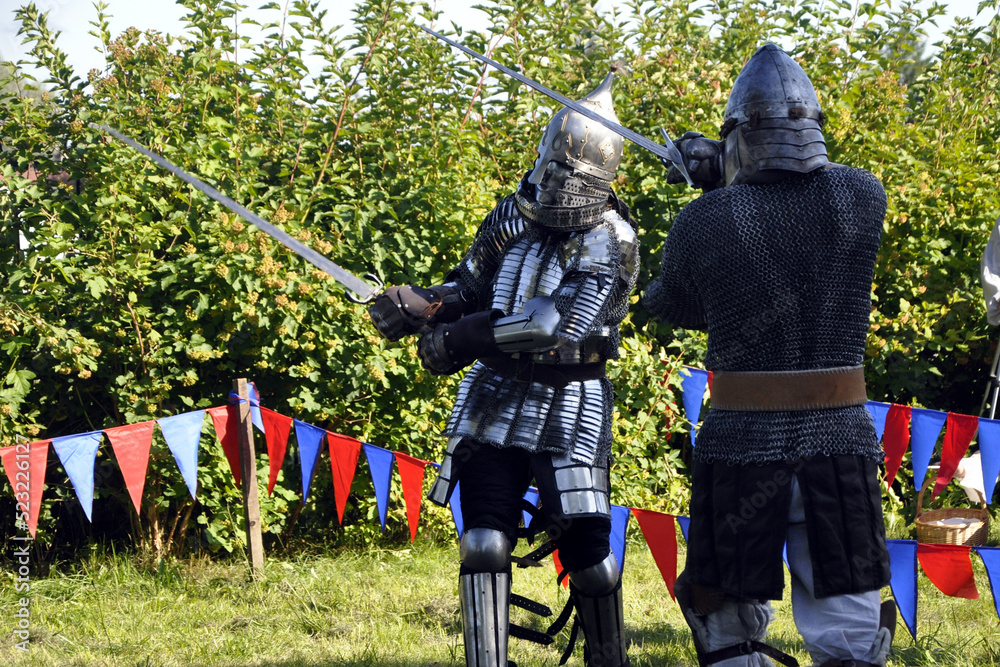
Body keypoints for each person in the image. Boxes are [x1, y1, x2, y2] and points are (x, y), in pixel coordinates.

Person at [368, 70, 638, 667]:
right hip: (492, 396)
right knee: (483, 542)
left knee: (591, 560)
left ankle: (609, 661)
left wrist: (465, 335)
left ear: (599, 177)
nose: (556, 183)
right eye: (553, 167)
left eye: (570, 173)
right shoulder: (512, 216)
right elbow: (470, 286)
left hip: (571, 400)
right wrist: (422, 303)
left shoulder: (611, 237)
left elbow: (554, 326)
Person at [644, 44, 895, 667]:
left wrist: (718, 185)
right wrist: (728, 178)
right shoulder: (863, 195)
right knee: (850, 622)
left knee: (727, 620)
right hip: (838, 439)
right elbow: (797, 214)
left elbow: (675, 305)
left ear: (737, 135)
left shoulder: (704, 221)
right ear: (812, 126)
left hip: (741, 442)